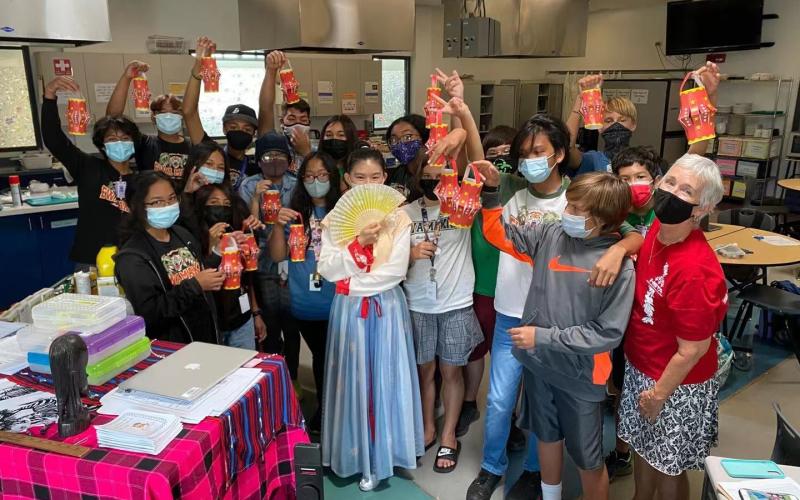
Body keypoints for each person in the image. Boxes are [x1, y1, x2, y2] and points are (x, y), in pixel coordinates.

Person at [467, 114, 643, 500]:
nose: (569, 215)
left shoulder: (616, 266)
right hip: (539, 364)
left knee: (587, 457)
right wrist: (493, 194)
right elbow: (501, 233)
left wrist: (540, 336)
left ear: (605, 220)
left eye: (578, 211)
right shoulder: (551, 234)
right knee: (546, 437)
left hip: (582, 377)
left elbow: (607, 333)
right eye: (570, 208)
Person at [618, 154, 727, 500]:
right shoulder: (656, 230)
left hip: (676, 383)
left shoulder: (695, 268)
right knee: (643, 449)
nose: (673, 192)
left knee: (668, 465)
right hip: (643, 366)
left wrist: (658, 394)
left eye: (687, 190)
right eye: (670, 182)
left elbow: (693, 348)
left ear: (701, 209)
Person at [318, 148, 423, 491]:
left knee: (386, 379)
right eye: (360, 178)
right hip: (349, 310)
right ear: (347, 179)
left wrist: (351, 278)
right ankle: (356, 453)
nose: (368, 184)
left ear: (385, 179)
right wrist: (356, 248)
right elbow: (327, 269)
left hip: (386, 308)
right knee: (353, 380)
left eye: (375, 178)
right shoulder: (335, 218)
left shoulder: (399, 219)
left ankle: (383, 455)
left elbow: (394, 273)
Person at [403, 153, 483, 474]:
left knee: (452, 372)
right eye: (427, 173)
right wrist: (408, 254)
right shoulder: (404, 214)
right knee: (425, 371)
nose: (433, 179)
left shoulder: (462, 208)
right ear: (416, 175)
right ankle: (427, 428)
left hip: (455, 303)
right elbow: (387, 259)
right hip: (418, 303)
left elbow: (475, 163)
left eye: (441, 173)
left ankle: (449, 433)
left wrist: (458, 114)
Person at [460, 125, 527, 444]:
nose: (499, 160)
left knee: (510, 363)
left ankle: (513, 419)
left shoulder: (524, 191)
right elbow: (475, 159)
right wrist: (463, 115)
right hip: (481, 284)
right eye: (493, 153)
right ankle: (469, 402)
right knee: (475, 349)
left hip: (515, 291)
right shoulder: (480, 189)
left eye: (507, 152)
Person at [604, 145, 667, 481]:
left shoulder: (669, 216)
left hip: (657, 320)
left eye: (640, 177)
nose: (633, 184)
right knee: (623, 385)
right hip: (622, 315)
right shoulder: (616, 216)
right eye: (624, 178)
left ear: (655, 180)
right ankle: (622, 452)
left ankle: (652, 452)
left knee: (651, 388)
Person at [268, 152, 341, 433]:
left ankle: (327, 413)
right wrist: (275, 223)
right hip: (304, 303)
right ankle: (326, 413)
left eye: (322, 175)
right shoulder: (294, 212)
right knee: (322, 357)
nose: (316, 181)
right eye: (309, 176)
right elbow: (277, 255)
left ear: (333, 178)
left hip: (338, 301)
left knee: (328, 360)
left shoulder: (343, 210)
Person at [41, 76, 142, 268]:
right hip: (91, 259)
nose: (119, 143)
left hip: (132, 259)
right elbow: (53, 139)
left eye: (125, 138)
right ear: (102, 145)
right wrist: (49, 96)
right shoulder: (88, 167)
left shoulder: (143, 179)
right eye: (112, 139)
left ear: (133, 142)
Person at [115, 171, 222, 345]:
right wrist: (195, 285)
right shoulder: (133, 257)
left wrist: (219, 252)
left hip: (204, 339)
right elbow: (151, 314)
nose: (167, 205)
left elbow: (198, 271)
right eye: (157, 202)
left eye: (172, 198)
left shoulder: (180, 234)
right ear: (138, 207)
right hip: (172, 350)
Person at [566, 63, 720, 176]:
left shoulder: (646, 162)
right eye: (608, 120)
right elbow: (567, 145)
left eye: (622, 119)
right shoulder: (592, 160)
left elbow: (694, 156)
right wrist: (581, 99)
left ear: (633, 125)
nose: (616, 124)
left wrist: (708, 97)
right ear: (599, 127)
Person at [239, 133, 301, 387]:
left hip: (292, 261)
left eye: (280, 155)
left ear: (288, 159)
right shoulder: (248, 185)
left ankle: (294, 377)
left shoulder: (296, 185)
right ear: (258, 160)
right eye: (267, 156)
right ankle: (275, 379)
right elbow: (246, 228)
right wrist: (256, 199)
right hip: (261, 264)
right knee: (270, 323)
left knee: (292, 322)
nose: (274, 161)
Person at [190, 183, 266, 349]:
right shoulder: (191, 238)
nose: (221, 208)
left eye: (226, 204)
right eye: (214, 203)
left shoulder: (236, 233)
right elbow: (197, 280)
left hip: (241, 318)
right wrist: (212, 246)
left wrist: (256, 313)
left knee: (246, 369)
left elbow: (248, 279)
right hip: (212, 322)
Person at [183, 36, 261, 190]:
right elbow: (188, 112)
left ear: (254, 133)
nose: (240, 132)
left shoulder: (256, 166)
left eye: (247, 129)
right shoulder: (211, 153)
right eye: (233, 127)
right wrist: (198, 66)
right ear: (224, 128)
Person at [106, 60, 192, 186]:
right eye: (163, 112)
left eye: (174, 112)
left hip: (185, 205)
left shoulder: (193, 145)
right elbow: (113, 118)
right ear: (154, 116)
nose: (169, 116)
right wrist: (126, 78)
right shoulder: (145, 144)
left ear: (181, 116)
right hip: (152, 204)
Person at [258, 50, 313, 168]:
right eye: (292, 119)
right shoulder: (274, 144)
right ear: (282, 121)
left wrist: (306, 152)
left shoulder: (318, 151)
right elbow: (265, 108)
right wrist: (271, 70)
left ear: (309, 123)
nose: (298, 124)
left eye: (303, 120)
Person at [385, 114, 430, 198]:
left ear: (424, 137)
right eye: (394, 139)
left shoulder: (431, 174)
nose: (400, 143)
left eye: (407, 137)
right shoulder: (397, 172)